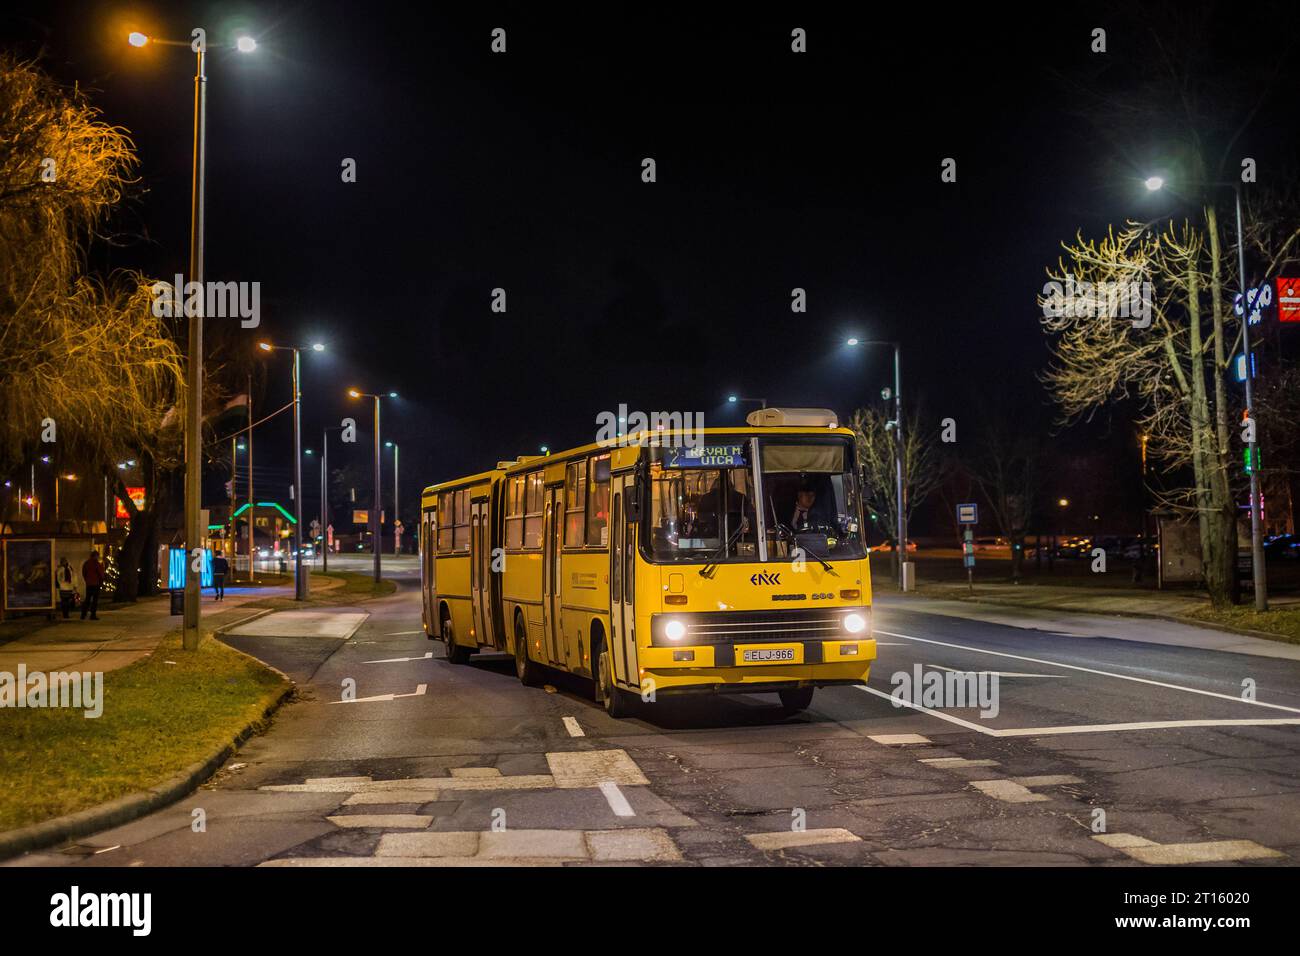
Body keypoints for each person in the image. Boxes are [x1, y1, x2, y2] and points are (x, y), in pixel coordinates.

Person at [80, 550, 103, 620]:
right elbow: (100, 573)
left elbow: (84, 572)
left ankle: (83, 614)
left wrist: (87, 580)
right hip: (96, 583)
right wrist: (100, 581)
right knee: (95, 600)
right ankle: (93, 615)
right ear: (96, 556)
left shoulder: (86, 563)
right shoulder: (96, 563)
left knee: (87, 599)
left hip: (89, 584)